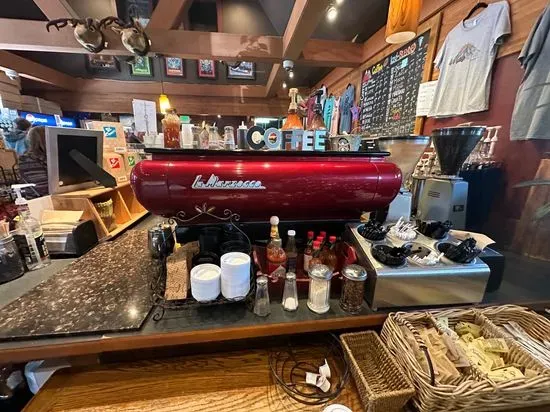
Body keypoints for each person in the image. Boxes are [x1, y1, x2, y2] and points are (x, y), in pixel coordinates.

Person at [18, 126, 49, 197]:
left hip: (41, 197)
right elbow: (42, 187)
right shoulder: (28, 160)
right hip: (39, 199)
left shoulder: (26, 160)